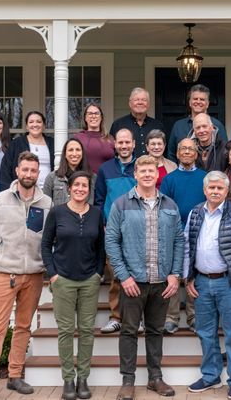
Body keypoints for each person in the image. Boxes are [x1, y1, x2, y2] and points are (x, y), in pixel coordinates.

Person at [0, 152, 52, 400]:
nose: (28, 174)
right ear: (17, 171)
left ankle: (15, 376)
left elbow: (48, 238)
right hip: (5, 274)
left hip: (34, 275)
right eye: (25, 170)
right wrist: (1, 257)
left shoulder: (46, 203)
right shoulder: (0, 200)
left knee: (23, 327)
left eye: (33, 171)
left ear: (38, 173)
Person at [105, 154, 184, 400]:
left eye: (152, 170)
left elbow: (179, 240)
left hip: (161, 282)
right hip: (132, 283)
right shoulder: (121, 205)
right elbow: (111, 241)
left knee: (155, 330)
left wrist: (175, 274)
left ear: (156, 175)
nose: (148, 174)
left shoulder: (170, 205)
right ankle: (127, 380)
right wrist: (123, 276)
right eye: (143, 171)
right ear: (136, 174)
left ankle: (155, 378)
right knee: (128, 331)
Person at [184, 171, 231, 400]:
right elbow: (188, 246)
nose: (215, 191)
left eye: (220, 188)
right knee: (205, 332)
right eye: (211, 188)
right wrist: (188, 278)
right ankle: (211, 376)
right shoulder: (195, 213)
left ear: (226, 191)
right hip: (203, 283)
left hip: (230, 283)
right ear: (205, 190)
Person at [42, 171, 105, 400]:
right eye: (76, 185)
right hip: (64, 281)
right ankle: (68, 379)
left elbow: (100, 248)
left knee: (87, 331)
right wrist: (53, 274)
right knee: (66, 331)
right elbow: (46, 244)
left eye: (84, 185)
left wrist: (98, 273)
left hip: (89, 280)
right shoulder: (57, 213)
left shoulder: (96, 214)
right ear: (69, 188)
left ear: (89, 190)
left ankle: (83, 378)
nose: (80, 189)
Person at [160, 138, 206, 335]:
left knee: (193, 274)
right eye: (183, 149)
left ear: (196, 154)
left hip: (200, 232)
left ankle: (193, 315)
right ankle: (171, 317)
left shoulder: (205, 178)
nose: (187, 152)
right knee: (174, 273)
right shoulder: (169, 179)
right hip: (175, 233)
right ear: (177, 154)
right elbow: (164, 207)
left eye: (190, 149)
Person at [94, 128, 137, 335]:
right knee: (117, 276)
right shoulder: (105, 169)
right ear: (115, 145)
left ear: (133, 144)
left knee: (139, 274)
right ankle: (116, 317)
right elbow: (100, 199)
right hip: (113, 230)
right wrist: (103, 223)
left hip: (138, 229)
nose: (124, 146)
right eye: (120, 142)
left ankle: (136, 318)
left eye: (127, 142)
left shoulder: (141, 167)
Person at [167, 84, 227, 161]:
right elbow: (171, 154)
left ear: (207, 104)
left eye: (202, 99)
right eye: (195, 99)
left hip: (211, 172)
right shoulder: (178, 126)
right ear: (190, 102)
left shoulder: (217, 125)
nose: (198, 102)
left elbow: (225, 153)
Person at [0, 111, 54, 191]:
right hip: (23, 192)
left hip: (48, 192)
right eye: (31, 122)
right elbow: (5, 169)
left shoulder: (53, 143)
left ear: (43, 126)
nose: (35, 124)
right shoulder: (16, 143)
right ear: (27, 126)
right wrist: (10, 191)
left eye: (38, 122)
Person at [109, 88, 165, 158]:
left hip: (152, 168)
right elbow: (111, 151)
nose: (140, 102)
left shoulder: (157, 125)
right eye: (136, 100)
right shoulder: (118, 125)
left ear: (148, 104)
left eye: (144, 100)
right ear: (130, 103)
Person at [43, 138, 93, 206]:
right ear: (65, 154)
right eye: (70, 150)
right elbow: (45, 205)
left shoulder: (92, 177)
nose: (74, 153)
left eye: (78, 150)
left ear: (82, 153)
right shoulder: (52, 177)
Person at [74, 103, 114, 174]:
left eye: (96, 113)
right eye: (90, 113)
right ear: (85, 118)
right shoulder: (78, 138)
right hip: (84, 181)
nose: (93, 116)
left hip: (106, 181)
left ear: (101, 117)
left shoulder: (110, 139)